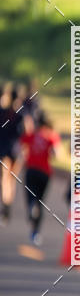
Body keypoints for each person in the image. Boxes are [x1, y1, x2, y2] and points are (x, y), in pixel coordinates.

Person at [18, 112, 62, 245]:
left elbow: (21, 148)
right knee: (41, 201)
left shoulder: (31, 135)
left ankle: (32, 208)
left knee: (30, 197)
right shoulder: (52, 136)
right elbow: (56, 154)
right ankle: (36, 232)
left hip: (31, 170)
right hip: (45, 172)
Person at [0, 83, 24, 222]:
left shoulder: (4, 113)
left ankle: (6, 205)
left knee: (5, 179)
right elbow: (26, 133)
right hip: (16, 151)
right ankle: (7, 205)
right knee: (11, 180)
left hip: (6, 150)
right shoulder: (20, 115)